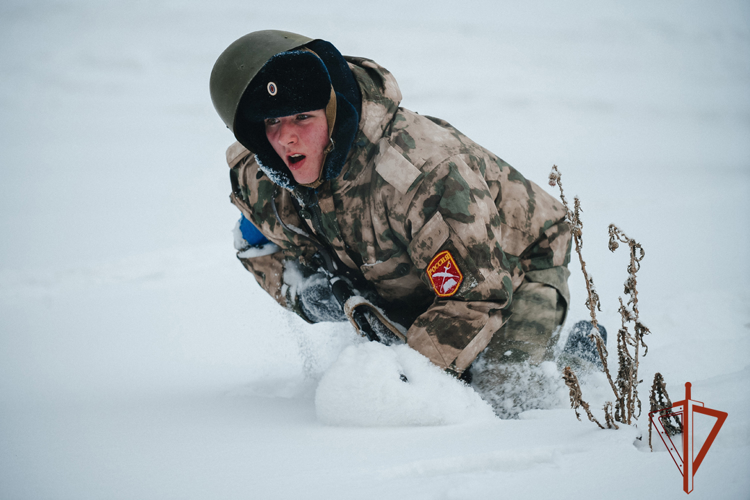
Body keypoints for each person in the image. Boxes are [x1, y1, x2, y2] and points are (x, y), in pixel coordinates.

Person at [210, 30, 580, 417]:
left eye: (303, 116)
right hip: (406, 276)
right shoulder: (263, 174)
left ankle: (582, 362)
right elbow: (259, 245)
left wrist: (403, 379)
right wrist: (304, 296)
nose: (286, 137)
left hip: (514, 265)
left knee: (503, 401)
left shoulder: (421, 173)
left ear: (333, 109)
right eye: (271, 121)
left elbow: (475, 294)